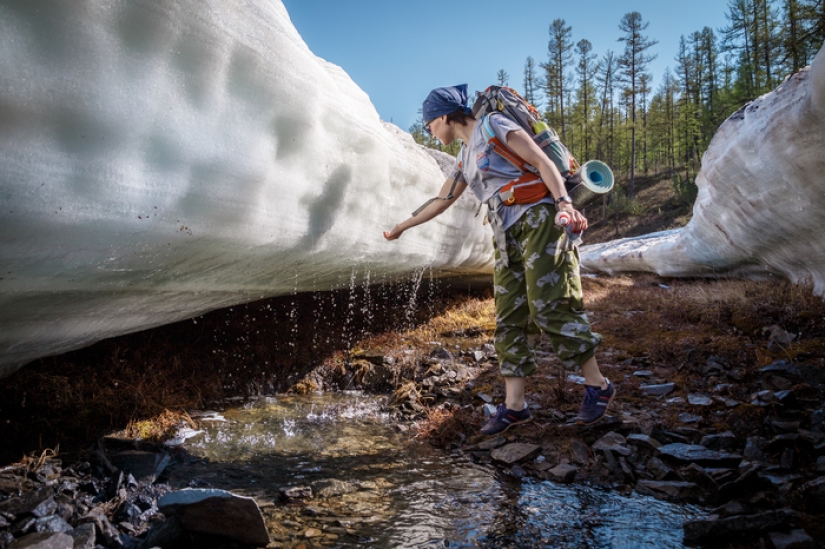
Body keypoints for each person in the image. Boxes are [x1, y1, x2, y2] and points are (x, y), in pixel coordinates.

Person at [384, 84, 615, 436]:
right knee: (509, 316)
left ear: (446, 116)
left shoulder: (494, 126)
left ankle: (598, 386)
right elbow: (442, 199)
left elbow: (540, 161)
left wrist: (565, 203)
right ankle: (515, 407)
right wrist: (402, 226)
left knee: (550, 306)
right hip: (505, 235)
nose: (429, 130)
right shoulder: (464, 156)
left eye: (430, 122)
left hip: (540, 221)